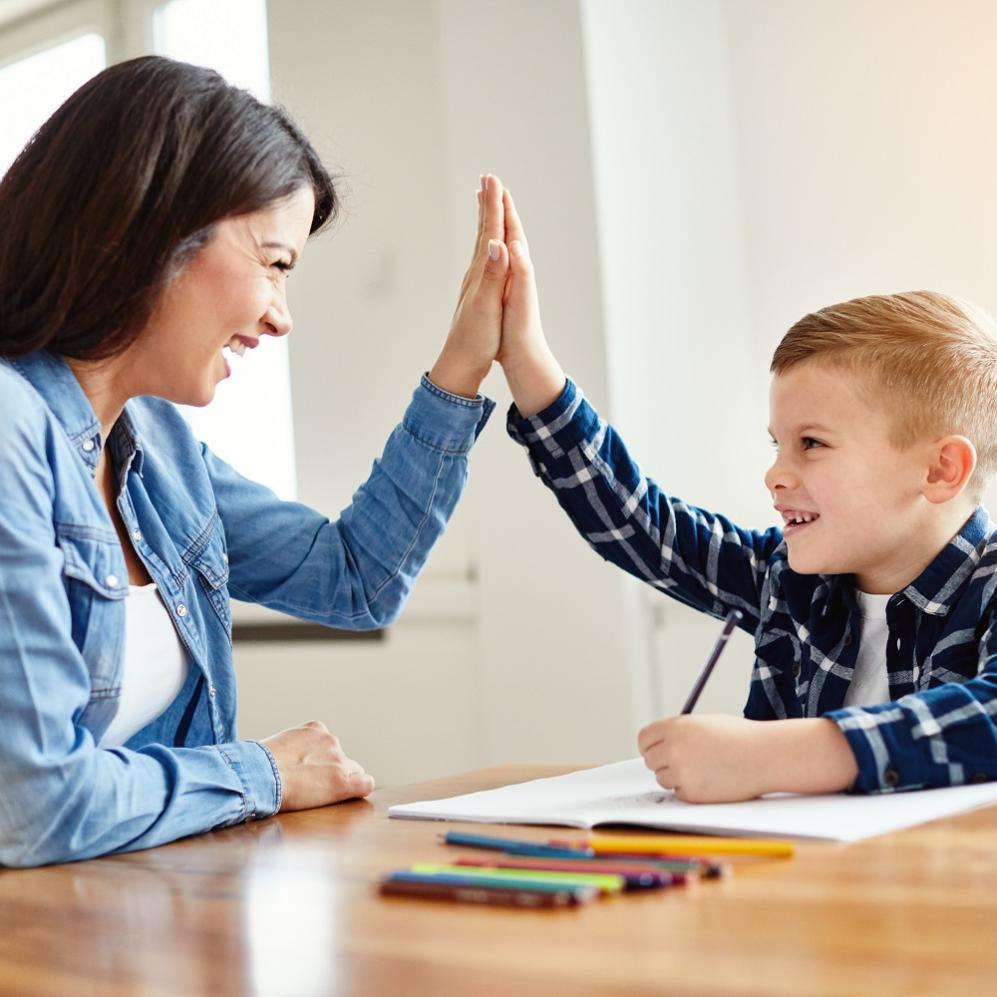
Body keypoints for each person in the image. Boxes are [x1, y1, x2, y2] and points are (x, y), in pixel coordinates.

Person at [0, 55, 514, 866]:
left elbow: (357, 579)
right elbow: (30, 805)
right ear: (149, 226)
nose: (281, 318)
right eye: (275, 264)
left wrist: (462, 364)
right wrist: (262, 771)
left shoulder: (157, 447)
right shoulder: (10, 430)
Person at [495, 190, 997, 802]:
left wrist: (779, 756)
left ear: (940, 470)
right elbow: (642, 528)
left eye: (811, 443)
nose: (776, 476)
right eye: (776, 446)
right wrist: (525, 360)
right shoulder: (786, 577)